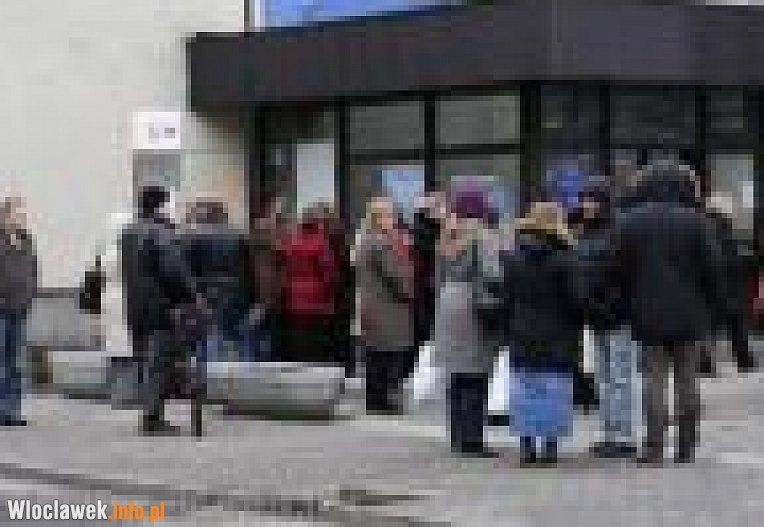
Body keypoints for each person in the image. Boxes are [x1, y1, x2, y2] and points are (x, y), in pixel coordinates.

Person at [611, 165, 731, 464]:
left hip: (647, 313)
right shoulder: (697, 221)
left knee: (654, 380)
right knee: (688, 380)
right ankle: (686, 447)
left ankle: (654, 448)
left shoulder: (631, 221)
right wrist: (716, 308)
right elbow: (713, 269)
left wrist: (625, 303)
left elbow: (619, 270)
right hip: (690, 314)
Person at [496, 200, 583, 464]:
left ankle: (527, 446)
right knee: (553, 389)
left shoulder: (513, 259)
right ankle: (550, 447)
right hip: (558, 333)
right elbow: (576, 299)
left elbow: (507, 298)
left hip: (522, 331)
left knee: (524, 388)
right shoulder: (565, 259)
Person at [126, 186, 208, 434]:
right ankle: (152, 418)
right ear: (161, 206)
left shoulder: (130, 232)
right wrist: (191, 297)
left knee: (146, 361)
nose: (175, 208)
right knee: (160, 362)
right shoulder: (160, 233)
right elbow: (173, 270)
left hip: (137, 306)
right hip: (161, 307)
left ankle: (150, 413)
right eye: (171, 203)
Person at [429, 190, 501, 456]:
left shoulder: (446, 236)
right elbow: (491, 274)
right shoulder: (483, 236)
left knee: (457, 375)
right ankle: (472, 440)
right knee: (476, 373)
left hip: (448, 303)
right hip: (472, 304)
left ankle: (457, 436)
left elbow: (436, 278)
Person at [572, 182, 640, 458]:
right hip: (596, 315)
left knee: (620, 377)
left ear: (603, 202)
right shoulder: (585, 231)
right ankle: (610, 433)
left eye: (591, 200)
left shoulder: (619, 230)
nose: (586, 205)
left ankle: (624, 436)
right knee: (603, 377)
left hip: (618, 314)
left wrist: (608, 302)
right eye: (584, 199)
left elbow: (625, 274)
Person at [355, 197, 415, 413]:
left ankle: (374, 399)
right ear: (378, 218)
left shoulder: (365, 240)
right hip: (388, 306)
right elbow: (394, 275)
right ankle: (384, 400)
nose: (394, 219)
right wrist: (409, 291)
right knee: (388, 354)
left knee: (375, 352)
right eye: (389, 215)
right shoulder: (381, 243)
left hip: (372, 304)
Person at [179, 199, 254, 364]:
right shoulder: (240, 236)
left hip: (207, 290)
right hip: (235, 290)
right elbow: (247, 269)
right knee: (237, 334)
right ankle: (242, 368)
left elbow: (189, 269)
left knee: (208, 334)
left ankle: (209, 370)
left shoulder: (195, 238)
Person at [277, 205, 340, 364]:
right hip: (317, 299)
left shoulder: (293, 243)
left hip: (295, 297)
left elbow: (286, 269)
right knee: (316, 338)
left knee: (299, 336)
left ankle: (299, 364)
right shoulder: (320, 243)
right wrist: (329, 294)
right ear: (316, 222)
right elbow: (328, 273)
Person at [0, 196, 38, 427]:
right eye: (18, 214)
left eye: (24, 214)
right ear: (6, 216)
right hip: (1, 309)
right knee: (1, 360)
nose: (23, 218)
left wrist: (31, 293)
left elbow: (33, 269)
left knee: (15, 362)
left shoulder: (27, 240)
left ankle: (12, 410)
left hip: (20, 308)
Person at [410, 191, 447, 355]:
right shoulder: (421, 231)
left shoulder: (434, 228)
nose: (444, 211)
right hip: (425, 290)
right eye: (439, 206)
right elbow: (430, 255)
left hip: (431, 288)